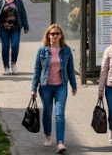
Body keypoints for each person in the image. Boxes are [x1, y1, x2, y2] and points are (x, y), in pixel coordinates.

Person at [31, 24, 77, 153]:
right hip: (45, 86)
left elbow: (70, 69)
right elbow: (37, 70)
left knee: (59, 114)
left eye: (57, 33)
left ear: (61, 35)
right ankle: (48, 135)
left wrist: (74, 85)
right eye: (52, 34)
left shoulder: (66, 50)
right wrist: (33, 88)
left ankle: (60, 142)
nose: (55, 36)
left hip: (61, 86)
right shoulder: (42, 50)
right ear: (48, 35)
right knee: (47, 112)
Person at [0, 0, 30, 75]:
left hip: (15, 28)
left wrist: (26, 26)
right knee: (5, 46)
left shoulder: (18, 2)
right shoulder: (1, 2)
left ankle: (13, 64)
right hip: (3, 28)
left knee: (15, 45)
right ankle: (6, 67)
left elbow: (23, 14)